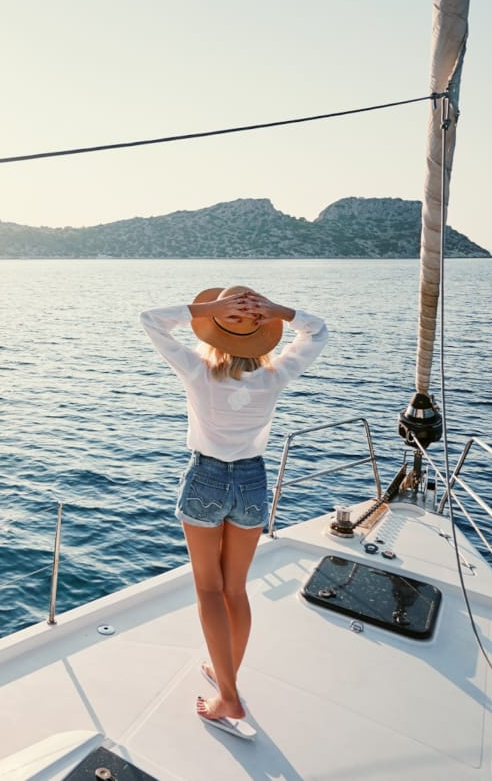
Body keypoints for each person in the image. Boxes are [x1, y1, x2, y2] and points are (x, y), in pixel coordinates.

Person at [140, 285, 328, 740]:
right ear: (263, 335)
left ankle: (228, 695)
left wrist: (210, 308)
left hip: (206, 477)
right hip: (251, 482)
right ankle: (227, 676)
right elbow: (317, 332)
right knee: (235, 591)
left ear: (216, 331)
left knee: (208, 589)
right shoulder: (273, 377)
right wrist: (279, 311)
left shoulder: (198, 373)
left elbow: (151, 320)